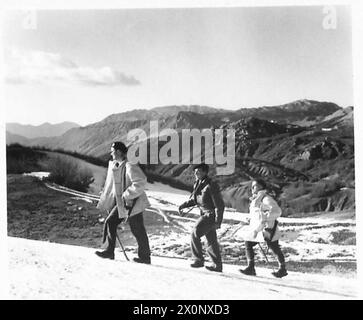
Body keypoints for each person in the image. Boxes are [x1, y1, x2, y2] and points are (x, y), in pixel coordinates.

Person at [95, 141, 151, 264]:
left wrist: (126, 196)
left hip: (132, 202)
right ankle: (143, 256)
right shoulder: (118, 165)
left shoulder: (130, 165)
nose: (111, 153)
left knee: (134, 228)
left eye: (112, 151)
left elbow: (140, 182)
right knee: (132, 228)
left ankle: (110, 251)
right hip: (125, 203)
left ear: (119, 151)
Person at [178, 164, 224, 272]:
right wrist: (183, 206)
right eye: (195, 171)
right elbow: (195, 200)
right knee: (211, 240)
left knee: (195, 233)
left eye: (198, 171)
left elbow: (219, 205)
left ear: (205, 172)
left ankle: (198, 260)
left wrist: (218, 221)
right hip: (205, 214)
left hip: (210, 215)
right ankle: (217, 265)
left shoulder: (211, 185)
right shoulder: (198, 184)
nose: (196, 173)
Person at [239, 178, 287, 278]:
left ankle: (281, 269)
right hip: (258, 229)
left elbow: (277, 211)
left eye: (254, 186)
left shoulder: (266, 199)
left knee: (274, 247)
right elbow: (257, 214)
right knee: (248, 242)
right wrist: (251, 219)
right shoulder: (257, 199)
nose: (252, 188)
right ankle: (251, 267)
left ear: (260, 187)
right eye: (252, 186)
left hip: (267, 228)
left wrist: (265, 218)